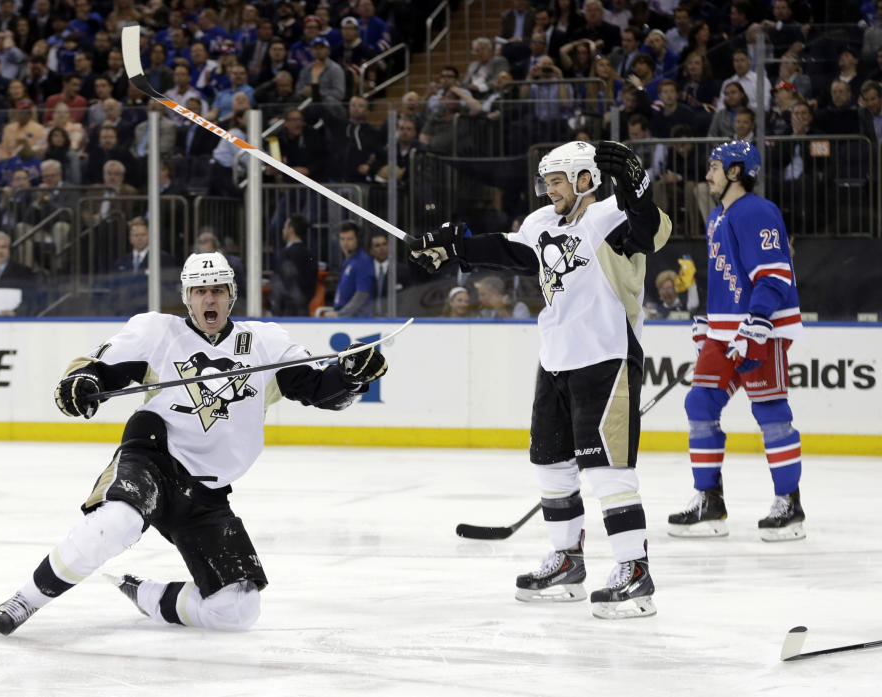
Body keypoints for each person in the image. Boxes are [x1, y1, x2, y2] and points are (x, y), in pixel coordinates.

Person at [0, 251, 388, 636]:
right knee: (118, 521)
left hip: (207, 493)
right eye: (200, 291)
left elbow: (321, 390)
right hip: (154, 459)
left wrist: (352, 377)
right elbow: (94, 370)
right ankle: (24, 601)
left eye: (217, 289)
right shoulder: (156, 331)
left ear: (232, 295)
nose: (209, 298)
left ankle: (145, 593)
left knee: (237, 611)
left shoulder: (266, 342)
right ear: (186, 298)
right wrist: (82, 383)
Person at [406, 140, 672, 618]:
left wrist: (636, 186)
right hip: (555, 359)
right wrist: (455, 246)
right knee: (551, 463)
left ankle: (635, 570)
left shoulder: (610, 215)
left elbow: (649, 232)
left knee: (608, 470)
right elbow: (510, 252)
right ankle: (568, 561)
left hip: (606, 356)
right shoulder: (540, 224)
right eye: (546, 182)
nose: (550, 191)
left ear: (585, 180)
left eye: (558, 181)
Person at [667, 141, 805, 542]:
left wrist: (758, 324)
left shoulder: (759, 211)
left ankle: (789, 504)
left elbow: (774, 274)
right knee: (700, 403)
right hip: (725, 331)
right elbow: (730, 280)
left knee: (771, 412)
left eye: (713, 167)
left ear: (734, 171)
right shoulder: (715, 217)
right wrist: (711, 323)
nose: (706, 175)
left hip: (762, 331)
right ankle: (709, 500)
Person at [269, 214, 317, 317]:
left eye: (284, 227)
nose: (283, 230)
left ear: (291, 229)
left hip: (288, 311)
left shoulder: (287, 254)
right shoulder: (309, 253)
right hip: (302, 309)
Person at [324, 221, 375, 318]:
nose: (345, 243)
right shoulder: (349, 261)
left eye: (349, 239)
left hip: (356, 321)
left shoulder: (362, 261)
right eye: (342, 239)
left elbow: (362, 294)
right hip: (347, 318)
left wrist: (340, 314)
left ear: (358, 240)